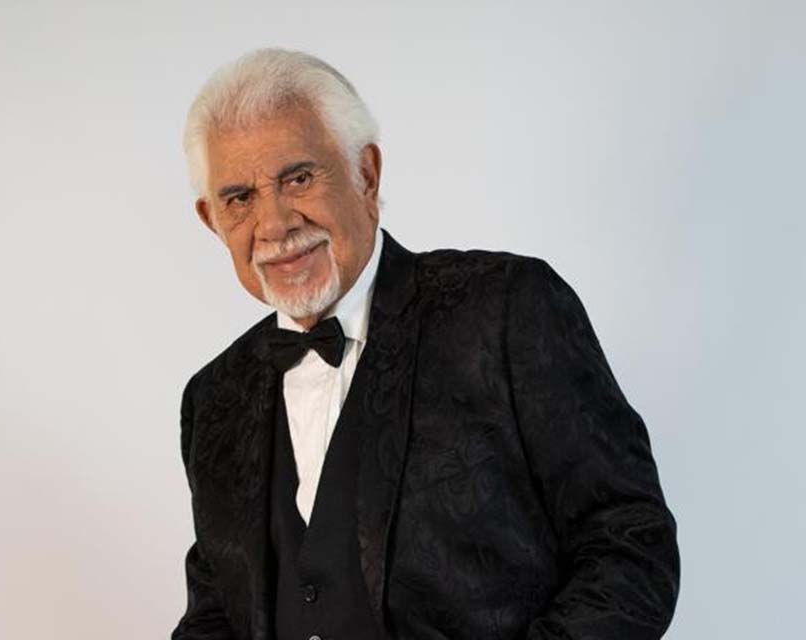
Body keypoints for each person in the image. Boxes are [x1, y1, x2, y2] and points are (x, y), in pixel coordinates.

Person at [172, 48, 679, 640]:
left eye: (299, 178)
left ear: (366, 175)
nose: (275, 223)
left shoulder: (507, 309)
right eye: (240, 198)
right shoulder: (212, 398)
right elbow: (215, 613)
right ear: (212, 219)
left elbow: (629, 544)